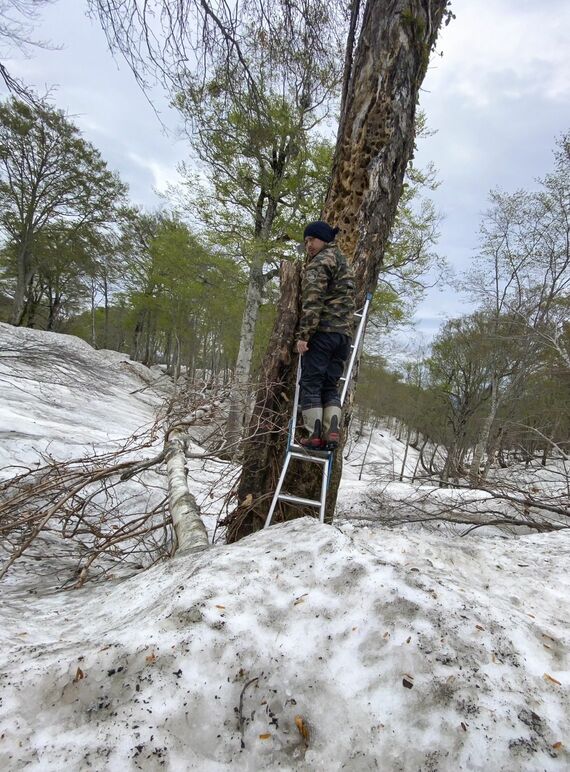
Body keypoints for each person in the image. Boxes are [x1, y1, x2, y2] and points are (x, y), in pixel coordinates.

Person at [295, 220, 356, 450]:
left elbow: (313, 301)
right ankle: (332, 432)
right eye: (306, 241)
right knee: (330, 386)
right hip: (343, 337)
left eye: (312, 239)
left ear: (323, 238)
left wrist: (304, 335)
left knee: (311, 383)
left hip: (323, 333)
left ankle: (314, 434)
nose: (308, 245)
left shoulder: (320, 263)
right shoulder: (343, 261)